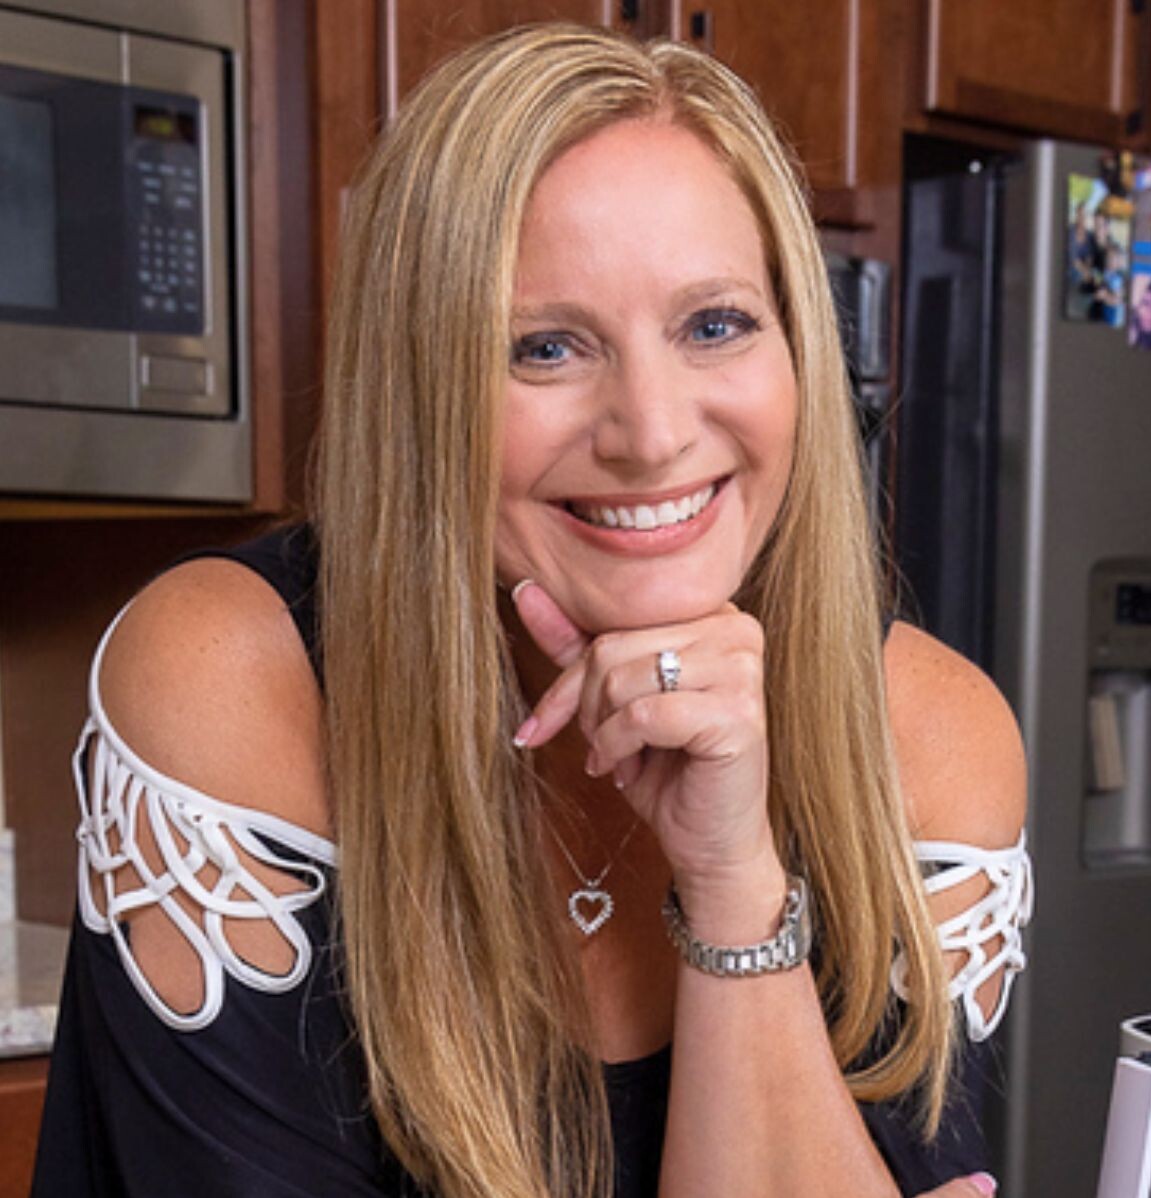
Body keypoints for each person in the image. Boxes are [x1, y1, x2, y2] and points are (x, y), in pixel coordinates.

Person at [32, 24, 1031, 1198]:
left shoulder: (928, 733)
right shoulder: (230, 676)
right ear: (423, 385)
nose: (652, 431)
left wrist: (729, 872)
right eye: (545, 348)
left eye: (714, 324)